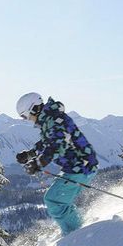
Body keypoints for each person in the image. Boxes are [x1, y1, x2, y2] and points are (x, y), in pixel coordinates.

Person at [15, 92, 99, 236]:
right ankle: (77, 227)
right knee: (58, 200)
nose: (27, 119)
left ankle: (76, 234)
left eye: (25, 116)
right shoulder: (50, 119)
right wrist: (30, 154)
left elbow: (56, 145)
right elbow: (47, 142)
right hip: (77, 167)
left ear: (34, 108)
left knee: (53, 200)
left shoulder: (55, 120)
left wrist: (38, 163)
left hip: (80, 168)